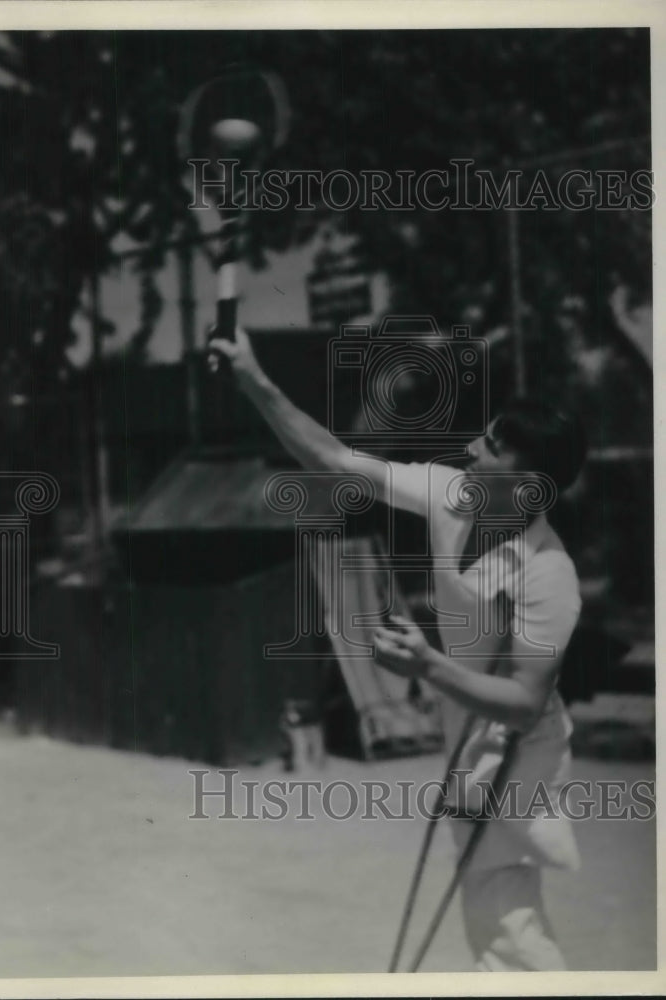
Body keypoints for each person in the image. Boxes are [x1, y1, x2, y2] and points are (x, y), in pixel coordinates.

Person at [208, 326, 587, 971]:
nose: (471, 447)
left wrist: (426, 666)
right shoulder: (453, 495)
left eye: (492, 446)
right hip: (467, 735)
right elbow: (332, 459)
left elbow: (526, 702)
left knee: (508, 931)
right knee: (493, 922)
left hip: (520, 757)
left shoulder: (548, 572)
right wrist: (252, 376)